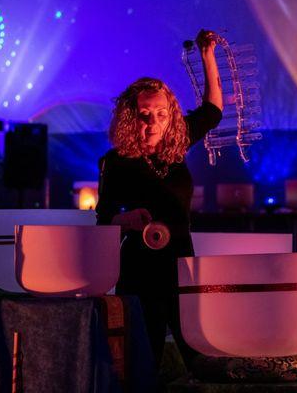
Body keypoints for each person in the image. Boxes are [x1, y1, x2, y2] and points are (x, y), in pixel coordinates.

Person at [95, 29, 223, 375]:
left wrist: (207, 55)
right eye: (145, 114)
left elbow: (212, 111)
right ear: (129, 117)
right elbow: (103, 218)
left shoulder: (176, 147)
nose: (154, 122)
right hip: (139, 272)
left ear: (171, 118)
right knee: (143, 359)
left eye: (162, 114)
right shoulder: (115, 162)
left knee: (199, 354)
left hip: (181, 264)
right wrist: (127, 218)